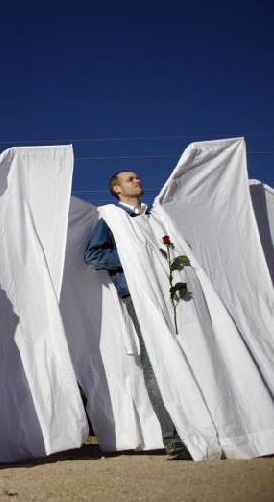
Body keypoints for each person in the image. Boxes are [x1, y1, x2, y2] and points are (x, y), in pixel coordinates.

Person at [84, 171, 190, 460]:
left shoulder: (155, 218)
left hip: (168, 292)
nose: (138, 181)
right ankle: (173, 438)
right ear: (117, 189)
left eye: (139, 177)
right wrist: (134, 257)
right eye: (130, 179)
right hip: (136, 294)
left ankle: (196, 426)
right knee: (153, 360)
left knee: (185, 354)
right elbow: (93, 257)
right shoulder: (110, 219)